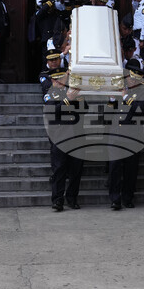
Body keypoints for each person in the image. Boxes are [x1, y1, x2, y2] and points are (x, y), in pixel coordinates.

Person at [109, 59, 144, 210]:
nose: (131, 80)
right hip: (116, 134)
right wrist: (112, 99)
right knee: (114, 168)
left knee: (130, 170)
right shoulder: (119, 87)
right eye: (129, 77)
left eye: (134, 78)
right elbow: (109, 112)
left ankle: (128, 197)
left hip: (133, 136)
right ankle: (115, 198)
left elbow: (141, 111)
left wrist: (126, 97)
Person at [44, 69, 83, 212]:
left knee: (76, 170)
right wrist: (67, 100)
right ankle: (57, 200)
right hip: (59, 137)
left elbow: (83, 109)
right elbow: (51, 113)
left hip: (76, 136)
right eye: (54, 80)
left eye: (59, 79)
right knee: (59, 169)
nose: (56, 82)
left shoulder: (74, 92)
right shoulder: (50, 94)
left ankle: (72, 198)